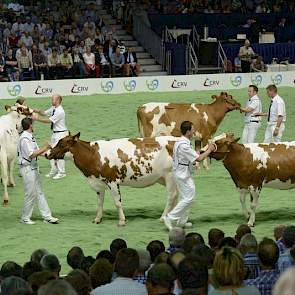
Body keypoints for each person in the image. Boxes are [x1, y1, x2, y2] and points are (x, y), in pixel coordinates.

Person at [163, 121, 217, 230]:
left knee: (186, 196)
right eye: (192, 130)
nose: (194, 131)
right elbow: (199, 158)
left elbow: (195, 154)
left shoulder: (182, 142)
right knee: (189, 198)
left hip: (182, 172)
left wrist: (203, 149)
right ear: (188, 131)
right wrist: (210, 150)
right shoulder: (184, 145)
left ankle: (182, 221)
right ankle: (170, 217)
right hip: (182, 174)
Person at [18, 118, 59, 225]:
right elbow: (31, 155)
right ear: (30, 125)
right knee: (30, 194)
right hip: (27, 169)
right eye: (33, 124)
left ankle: (47, 216)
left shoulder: (29, 137)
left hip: (33, 168)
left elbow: (36, 152)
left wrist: (46, 154)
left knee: (39, 192)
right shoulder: (25, 139)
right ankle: (25, 218)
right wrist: (45, 147)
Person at [33, 94, 68, 179]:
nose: (52, 101)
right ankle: (54, 170)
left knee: (59, 153)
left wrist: (37, 118)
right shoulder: (54, 108)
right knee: (52, 151)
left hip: (61, 134)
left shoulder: (60, 111)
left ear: (58, 100)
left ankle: (62, 172)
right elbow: (44, 113)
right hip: (55, 133)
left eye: (53, 99)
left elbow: (49, 120)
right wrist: (36, 110)